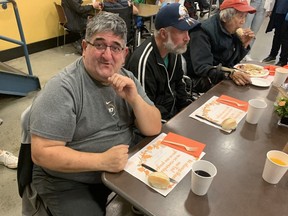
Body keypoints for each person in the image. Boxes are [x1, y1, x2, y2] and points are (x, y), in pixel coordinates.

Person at [29, 12, 162, 216]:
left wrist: (135, 99)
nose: (107, 55)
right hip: (68, 181)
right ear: (84, 48)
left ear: (125, 53)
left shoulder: (127, 79)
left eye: (115, 47)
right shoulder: (63, 88)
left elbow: (154, 127)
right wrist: (102, 161)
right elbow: (42, 152)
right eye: (99, 45)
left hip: (119, 170)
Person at [126, 3, 200, 122]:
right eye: (182, 32)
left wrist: (187, 110)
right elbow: (145, 110)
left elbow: (179, 85)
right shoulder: (143, 61)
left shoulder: (173, 50)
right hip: (157, 125)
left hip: (174, 117)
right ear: (163, 34)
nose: (187, 38)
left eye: (188, 31)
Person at [183, 0, 256, 93]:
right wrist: (230, 73)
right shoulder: (202, 32)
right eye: (240, 16)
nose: (243, 22)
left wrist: (243, 45)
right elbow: (202, 68)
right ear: (225, 18)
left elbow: (231, 62)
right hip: (201, 82)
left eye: (245, 16)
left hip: (220, 77)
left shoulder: (231, 30)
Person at [262, 0, 288, 66]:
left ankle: (283, 60)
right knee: (277, 34)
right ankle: (272, 55)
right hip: (280, 9)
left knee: (285, 37)